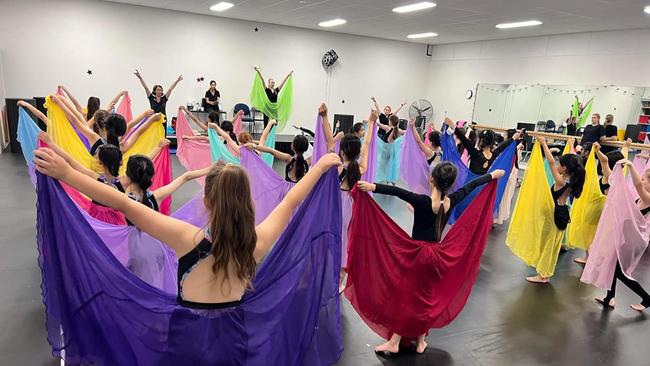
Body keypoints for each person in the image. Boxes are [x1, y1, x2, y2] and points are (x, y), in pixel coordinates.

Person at [34, 144, 342, 308]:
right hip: (234, 336)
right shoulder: (257, 243)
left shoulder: (186, 238)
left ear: (206, 202)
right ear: (247, 203)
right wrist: (319, 166)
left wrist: (68, 175)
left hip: (188, 337)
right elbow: (289, 203)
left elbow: (124, 203)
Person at [356, 164, 504, 353]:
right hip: (437, 255)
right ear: (450, 184)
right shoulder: (451, 201)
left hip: (418, 255)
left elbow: (397, 191)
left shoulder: (422, 201)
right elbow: (471, 186)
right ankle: (420, 341)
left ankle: (394, 342)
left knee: (407, 297)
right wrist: (492, 175)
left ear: (431, 179)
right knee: (426, 298)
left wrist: (372, 186)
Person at [526, 136, 585, 284]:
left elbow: (551, 162)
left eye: (561, 164)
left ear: (564, 168)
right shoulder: (573, 180)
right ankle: (546, 273)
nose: (557, 164)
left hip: (555, 215)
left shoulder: (560, 181)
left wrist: (544, 143)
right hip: (563, 213)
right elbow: (574, 162)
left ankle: (543, 275)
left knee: (548, 246)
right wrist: (571, 145)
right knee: (552, 246)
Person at [594, 159, 650, 312]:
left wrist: (631, 166)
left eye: (644, 179)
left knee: (620, 272)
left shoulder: (648, 199)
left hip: (635, 242)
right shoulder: (641, 198)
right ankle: (609, 297)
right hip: (627, 238)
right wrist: (607, 164)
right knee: (613, 266)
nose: (641, 180)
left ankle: (647, 298)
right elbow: (616, 182)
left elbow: (638, 185)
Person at [50, 94, 160, 156]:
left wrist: (60, 102)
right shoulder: (122, 146)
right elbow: (136, 129)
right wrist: (150, 118)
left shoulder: (96, 140)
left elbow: (75, 120)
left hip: (96, 183)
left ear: (104, 125)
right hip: (115, 185)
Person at [123, 152, 212, 225]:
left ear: (127, 174)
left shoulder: (120, 198)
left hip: (129, 244)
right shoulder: (156, 196)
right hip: (152, 242)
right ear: (150, 176)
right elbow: (186, 177)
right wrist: (210, 169)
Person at [445, 118, 519, 175]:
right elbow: (501, 147)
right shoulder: (494, 154)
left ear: (480, 140)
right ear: (492, 142)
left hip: (469, 185)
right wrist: (513, 139)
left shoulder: (475, 154)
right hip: (482, 187)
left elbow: (464, 139)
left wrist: (453, 126)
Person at [58, 85, 127, 120]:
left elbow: (75, 102)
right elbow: (113, 102)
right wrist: (120, 94)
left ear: (88, 106)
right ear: (98, 106)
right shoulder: (102, 114)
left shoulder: (84, 115)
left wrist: (66, 91)